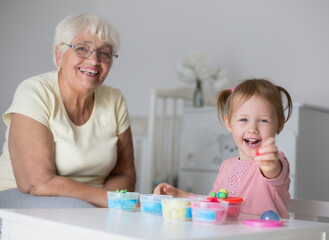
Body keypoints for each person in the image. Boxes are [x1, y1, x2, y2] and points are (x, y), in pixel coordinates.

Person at [0, 13, 136, 209]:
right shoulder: (34, 91)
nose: (94, 60)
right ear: (59, 56)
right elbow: (37, 182)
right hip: (17, 197)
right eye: (81, 48)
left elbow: (124, 173)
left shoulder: (115, 99)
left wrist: (111, 205)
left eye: (104, 53)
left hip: (91, 203)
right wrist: (108, 200)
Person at [154, 79, 293, 218]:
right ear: (229, 123)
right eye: (243, 120)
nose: (252, 129)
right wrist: (178, 194)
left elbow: (274, 172)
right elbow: (212, 203)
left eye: (263, 120)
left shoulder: (277, 161)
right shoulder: (227, 166)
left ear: (280, 124)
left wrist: (270, 165)